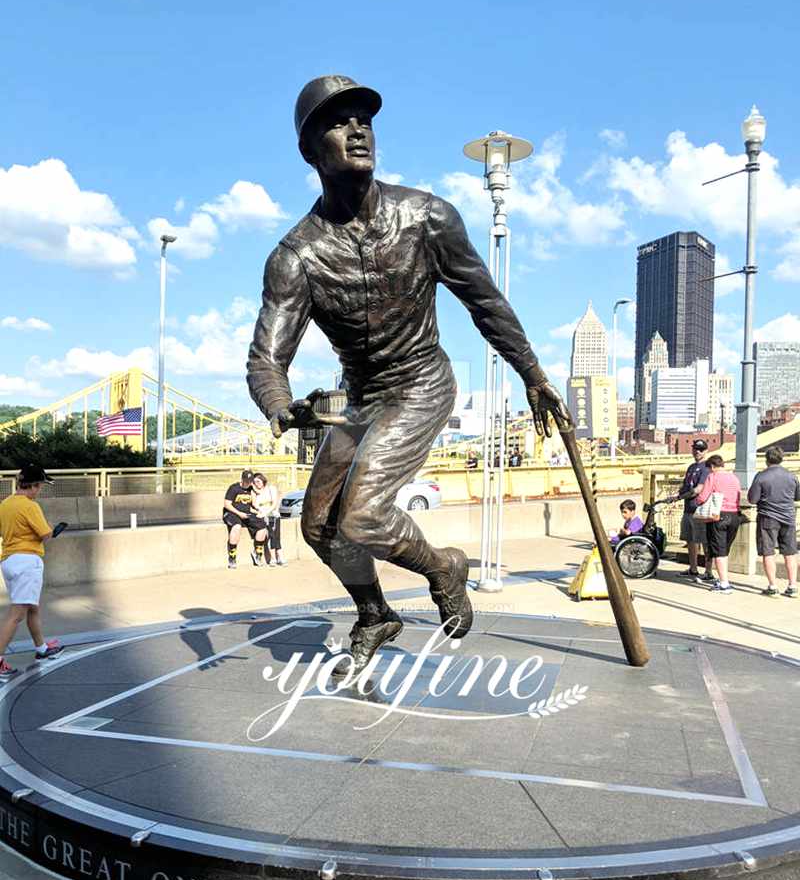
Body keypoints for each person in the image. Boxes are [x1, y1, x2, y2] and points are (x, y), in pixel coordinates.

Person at [247, 74, 570, 669]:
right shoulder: (295, 256)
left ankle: (445, 566)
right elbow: (267, 358)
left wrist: (534, 375)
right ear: (311, 150)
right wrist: (280, 405)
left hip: (422, 382)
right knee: (319, 527)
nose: (357, 130)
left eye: (363, 119)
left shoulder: (426, 217)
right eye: (338, 123)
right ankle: (377, 614)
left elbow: (485, 302)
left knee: (365, 514)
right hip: (361, 398)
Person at [0, 464, 66, 680]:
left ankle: (42, 648)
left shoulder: (6, 504)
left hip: (9, 560)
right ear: (34, 485)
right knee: (16, 614)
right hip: (27, 561)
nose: (40, 491)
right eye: (40, 486)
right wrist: (51, 528)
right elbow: (46, 534)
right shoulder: (30, 506)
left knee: (32, 607)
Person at [748, 446, 800, 597]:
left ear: (767, 459)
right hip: (789, 518)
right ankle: (792, 586)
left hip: (767, 518)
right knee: (790, 553)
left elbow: (752, 499)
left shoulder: (761, 476)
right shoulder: (792, 476)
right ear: (781, 458)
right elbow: (797, 497)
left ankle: (772, 586)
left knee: (768, 552)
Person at [694, 454, 742, 595]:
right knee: (725, 550)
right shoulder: (734, 477)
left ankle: (724, 584)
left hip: (718, 516)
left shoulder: (713, 477)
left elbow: (703, 497)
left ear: (713, 467)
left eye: (710, 469)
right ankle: (723, 578)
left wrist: (697, 501)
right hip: (734, 515)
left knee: (719, 551)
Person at [675, 439, 714, 583]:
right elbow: (686, 485)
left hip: (701, 510)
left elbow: (700, 488)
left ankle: (709, 571)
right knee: (690, 540)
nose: (697, 451)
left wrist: (685, 495)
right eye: (695, 449)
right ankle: (693, 568)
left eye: (701, 449)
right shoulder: (691, 467)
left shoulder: (706, 468)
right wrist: (678, 495)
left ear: (706, 451)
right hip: (688, 508)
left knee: (705, 541)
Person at [222, 470, 268, 568]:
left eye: (250, 481)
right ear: (242, 479)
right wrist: (239, 513)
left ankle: (257, 554)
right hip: (232, 513)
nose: (248, 483)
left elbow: (252, 505)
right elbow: (227, 504)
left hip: (246, 513)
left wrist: (258, 511)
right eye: (247, 481)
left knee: (262, 527)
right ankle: (232, 557)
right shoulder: (234, 488)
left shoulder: (251, 489)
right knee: (237, 527)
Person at [251, 472, 286, 566]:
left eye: (258, 481)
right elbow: (254, 505)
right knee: (270, 536)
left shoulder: (271, 489)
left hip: (272, 514)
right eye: (254, 482)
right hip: (262, 516)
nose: (257, 484)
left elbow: (274, 504)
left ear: (263, 480)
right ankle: (273, 558)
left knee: (276, 535)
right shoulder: (254, 492)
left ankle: (279, 556)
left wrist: (266, 513)